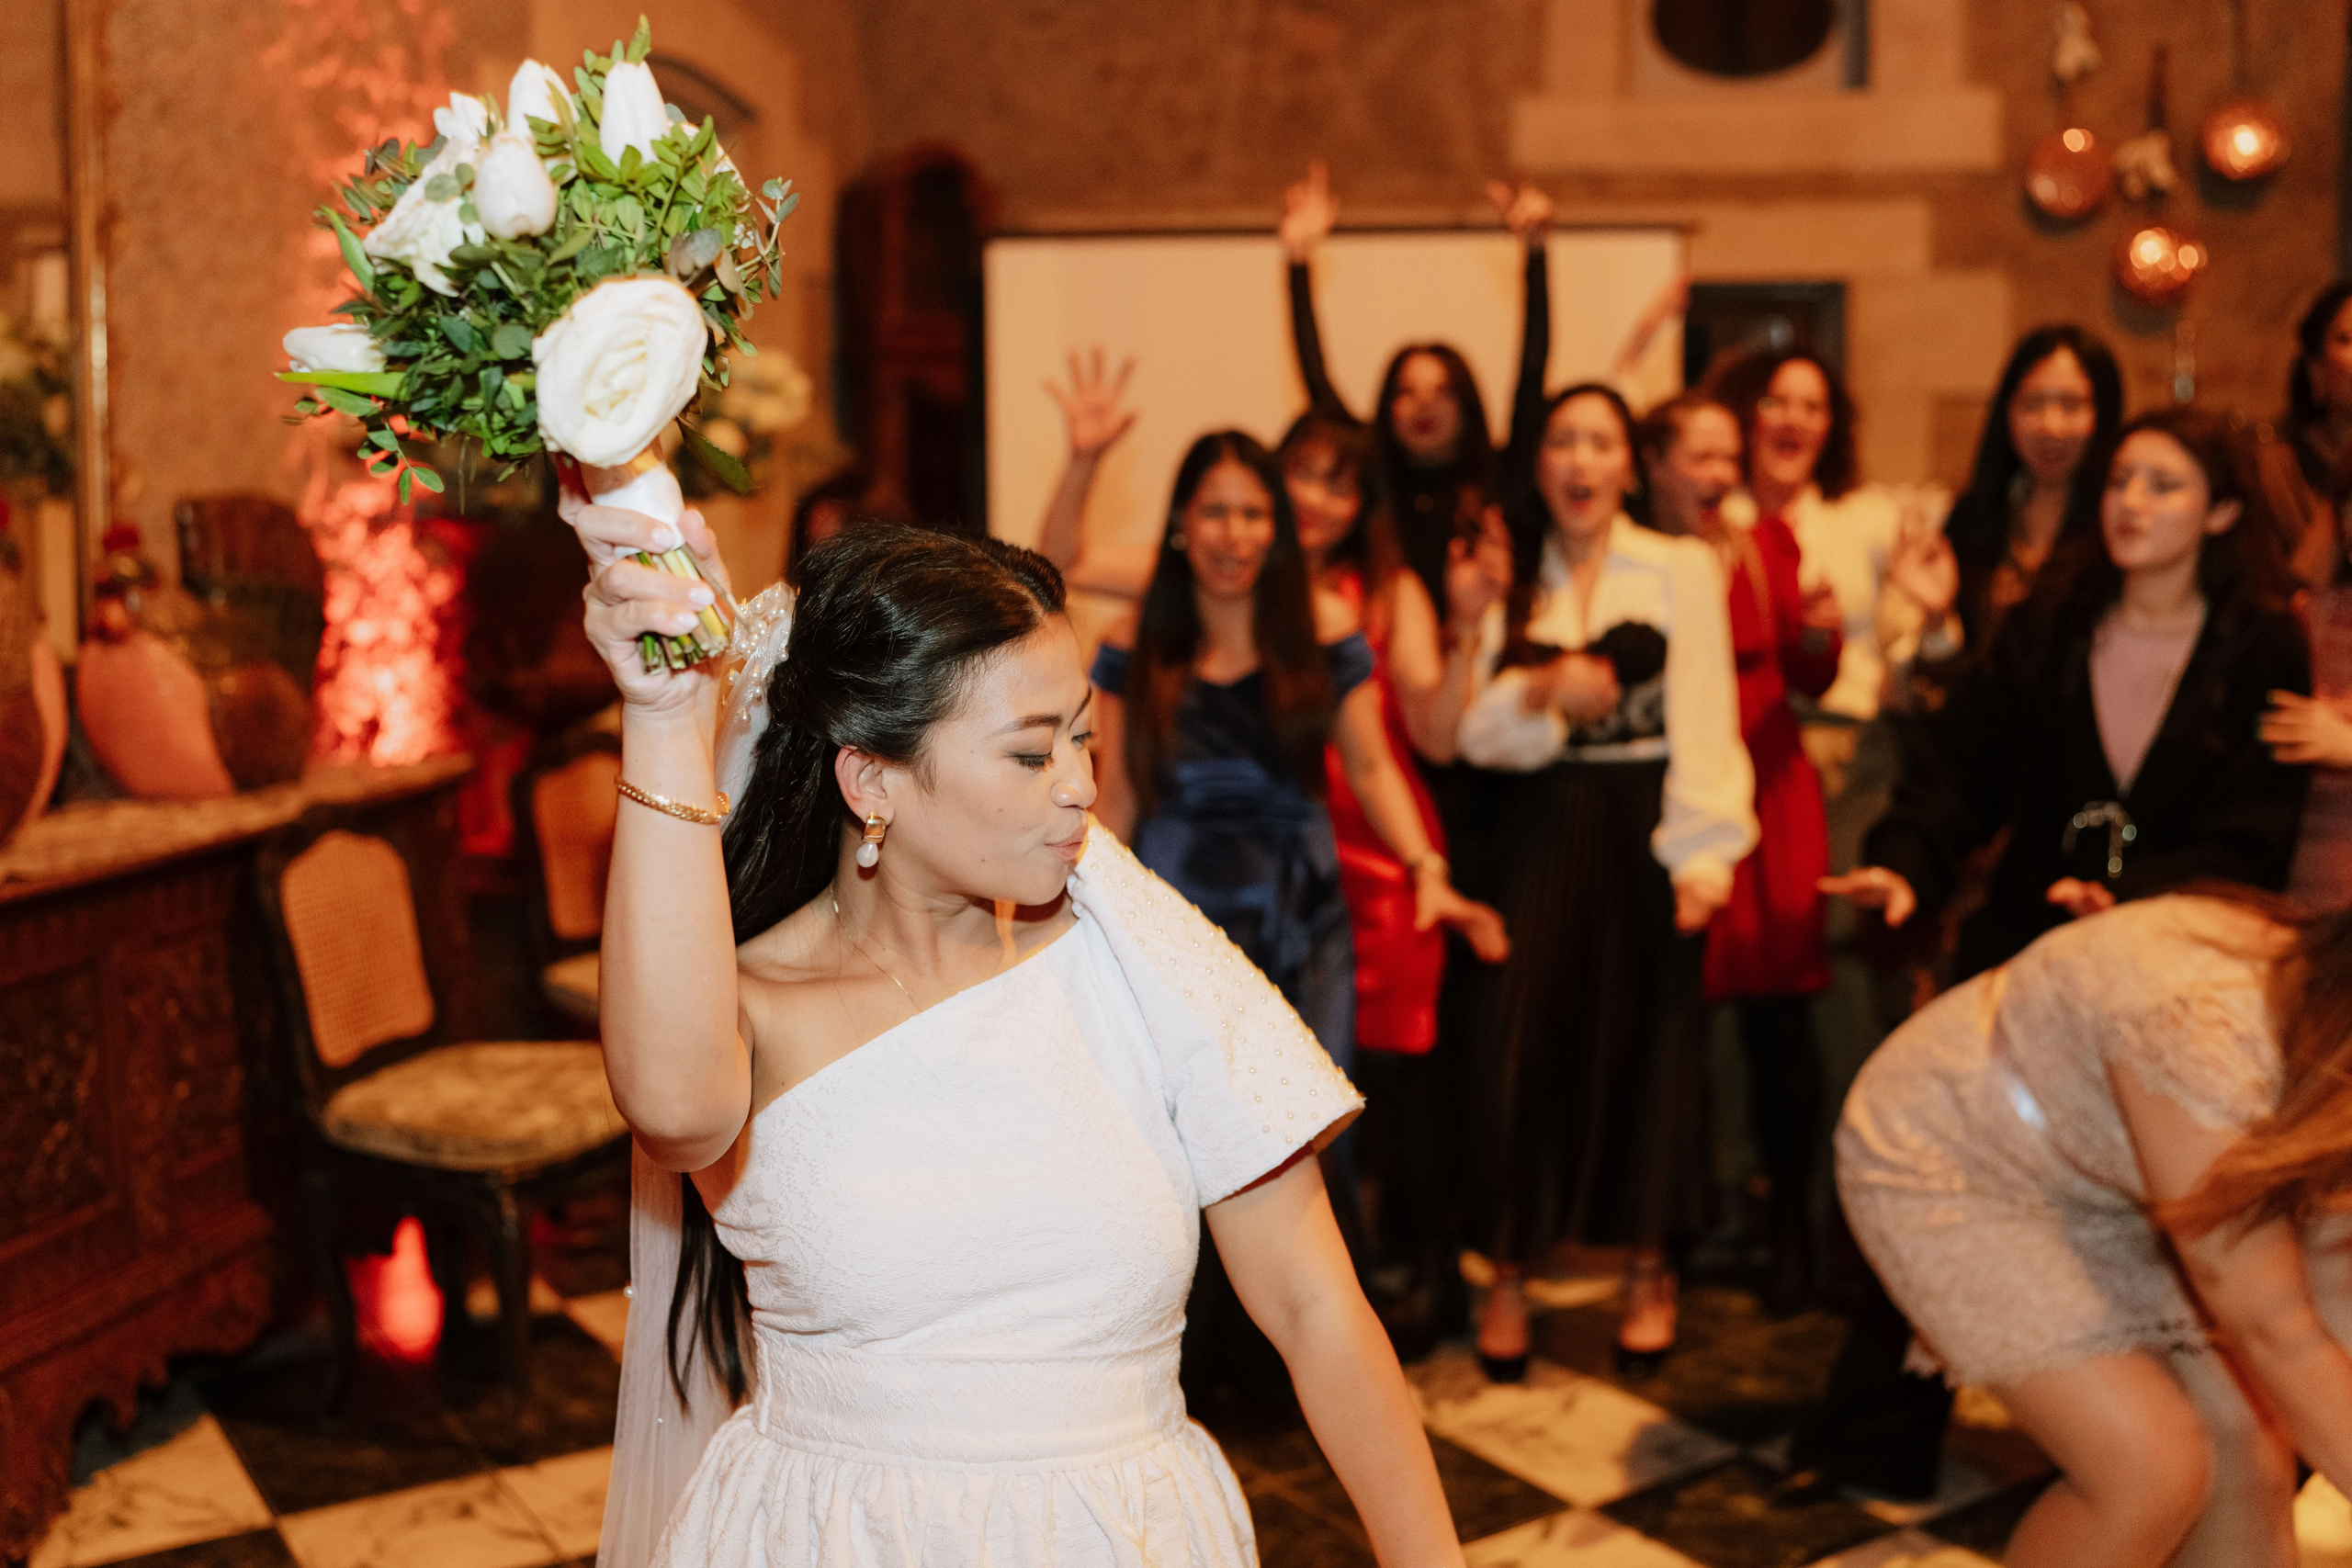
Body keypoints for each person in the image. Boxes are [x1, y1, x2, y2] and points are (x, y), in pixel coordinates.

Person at [571, 505, 1468, 1567]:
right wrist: (666, 714)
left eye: (1083, 737)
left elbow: (1315, 1303)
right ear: (873, 784)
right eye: (1032, 753)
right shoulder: (757, 1007)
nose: (1082, 786)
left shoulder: (1135, 948)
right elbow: (672, 1110)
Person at [1837, 891, 2352, 1566]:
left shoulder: (2326, 1035)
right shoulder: (2202, 1018)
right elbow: (2274, 1320)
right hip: (1954, 1153)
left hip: (2114, 1181)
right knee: (2148, 1469)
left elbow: (2329, 1281)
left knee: (2249, 1445)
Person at [1451, 383, 1756, 1380]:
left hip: (1645, 829)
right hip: (1532, 830)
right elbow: (1474, 738)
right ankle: (1505, 1271)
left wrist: (1705, 855)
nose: (1580, 462)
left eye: (1600, 442)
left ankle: (1648, 1267)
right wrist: (1541, 688)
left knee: (1653, 1054)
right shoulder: (1511, 576)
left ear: (1630, 464)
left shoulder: (1678, 568)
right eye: (1561, 442)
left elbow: (1708, 712)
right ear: (1537, 463)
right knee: (1513, 1049)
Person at [1829, 405, 2311, 978]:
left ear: (2222, 511)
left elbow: (2256, 831)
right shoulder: (2050, 622)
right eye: (2117, 481)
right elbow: (1963, 768)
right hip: (2033, 948)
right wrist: (1904, 861)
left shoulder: (2263, 646)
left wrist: (2132, 896)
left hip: (2183, 963)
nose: (2130, 502)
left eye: (2163, 486)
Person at [1638, 389, 1841, 1312]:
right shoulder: (1637, 560)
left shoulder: (1765, 546)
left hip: (1767, 785)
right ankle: (1668, 1241)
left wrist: (1817, 635)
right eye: (1702, 457)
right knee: (1669, 1033)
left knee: (1778, 1031)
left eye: (1731, 458)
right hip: (1676, 791)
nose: (1721, 476)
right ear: (1655, 465)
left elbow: (1809, 673)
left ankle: (1790, 1235)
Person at [1279, 161, 1553, 626]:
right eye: (1407, 392)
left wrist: (1538, 252)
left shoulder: (1501, 474)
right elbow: (1316, 377)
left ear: (1466, 407)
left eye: (1442, 392)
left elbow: (1532, 369)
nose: (1424, 405)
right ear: (1388, 408)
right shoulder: (1371, 477)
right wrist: (1297, 258)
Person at [1939, 326, 2124, 653]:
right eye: (2032, 403)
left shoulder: (2120, 526)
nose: (2051, 426)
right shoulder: (1973, 518)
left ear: (2103, 412)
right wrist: (1934, 616)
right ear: (2006, 411)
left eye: (2071, 405)